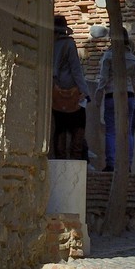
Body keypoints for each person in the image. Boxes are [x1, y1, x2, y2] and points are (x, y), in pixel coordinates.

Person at [94, 28, 135, 172]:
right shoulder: (133, 58)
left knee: (111, 131)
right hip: (129, 95)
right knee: (127, 132)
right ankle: (128, 165)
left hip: (111, 94)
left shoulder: (108, 56)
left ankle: (111, 163)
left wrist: (98, 94)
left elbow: (103, 78)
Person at [50, 15, 90, 160]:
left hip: (54, 91)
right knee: (78, 129)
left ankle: (60, 163)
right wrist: (85, 91)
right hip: (71, 91)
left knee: (59, 130)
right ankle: (74, 165)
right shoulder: (69, 44)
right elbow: (76, 70)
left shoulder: (48, 44)